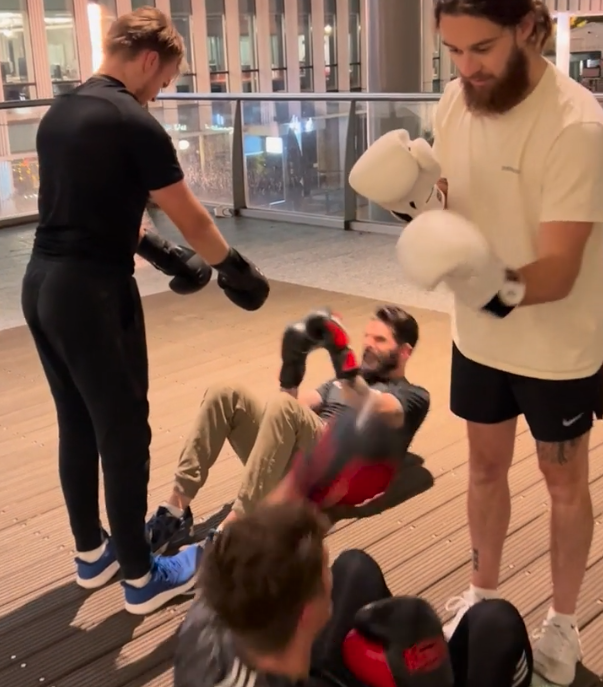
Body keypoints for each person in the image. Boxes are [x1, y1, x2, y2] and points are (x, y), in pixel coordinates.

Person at [349, 0, 603, 683]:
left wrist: (485, 279)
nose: (466, 68)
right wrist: (414, 206)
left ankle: (562, 622)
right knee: (483, 467)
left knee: (563, 481)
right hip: (479, 336)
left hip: (557, 342)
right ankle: (485, 592)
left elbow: (558, 265)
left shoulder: (575, 125)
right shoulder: (454, 105)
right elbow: (448, 205)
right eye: (452, 51)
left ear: (527, 27)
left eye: (481, 49)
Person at [20, 7, 269, 616]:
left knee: (78, 421)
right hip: (94, 295)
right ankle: (140, 575)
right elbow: (193, 216)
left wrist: (160, 256)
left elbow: (105, 211)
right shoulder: (132, 121)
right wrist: (234, 272)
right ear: (151, 60)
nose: (160, 95)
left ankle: (92, 555)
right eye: (164, 83)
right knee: (125, 429)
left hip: (41, 284)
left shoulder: (61, 112)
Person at [146, 305, 431, 554]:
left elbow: (372, 404)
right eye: (366, 337)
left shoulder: (412, 396)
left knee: (284, 407)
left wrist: (339, 350)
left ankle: (235, 528)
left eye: (380, 340)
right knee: (226, 393)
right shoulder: (338, 382)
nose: (368, 345)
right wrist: (291, 365)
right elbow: (287, 406)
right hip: (292, 462)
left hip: (328, 473)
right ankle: (176, 510)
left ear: (405, 351)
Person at [174, 500, 535, 687]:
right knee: (496, 625)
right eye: (322, 572)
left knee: (355, 567)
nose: (328, 576)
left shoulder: (215, 615)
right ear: (305, 612)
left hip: (297, 670)